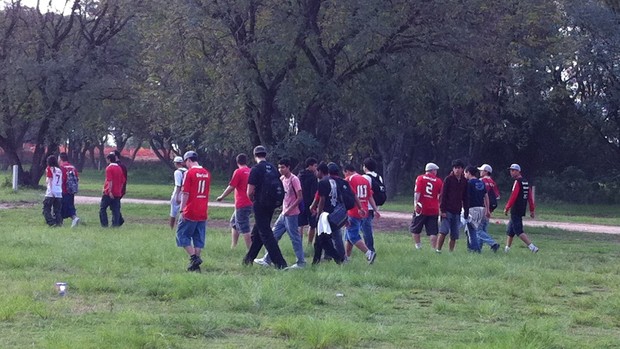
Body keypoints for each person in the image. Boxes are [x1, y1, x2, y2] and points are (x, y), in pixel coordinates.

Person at [242, 146, 288, 269]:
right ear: (265, 154)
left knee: (266, 233)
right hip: (271, 204)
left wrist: (254, 201)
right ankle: (248, 260)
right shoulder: (272, 168)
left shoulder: (256, 169)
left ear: (254, 155)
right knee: (258, 232)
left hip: (260, 204)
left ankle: (280, 263)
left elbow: (249, 192)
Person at [255, 158, 306, 269]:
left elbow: (300, 197)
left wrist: (290, 209)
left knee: (295, 238)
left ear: (288, 167)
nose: (280, 169)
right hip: (283, 214)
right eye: (279, 167)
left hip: (292, 214)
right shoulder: (282, 179)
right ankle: (267, 259)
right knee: (274, 235)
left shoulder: (294, 179)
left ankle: (301, 262)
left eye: (283, 167)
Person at [176, 150, 211, 272]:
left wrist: (181, 211)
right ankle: (196, 267)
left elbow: (185, 193)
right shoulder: (206, 173)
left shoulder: (189, 173)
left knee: (182, 235)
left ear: (188, 160)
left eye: (186, 162)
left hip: (191, 209)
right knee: (198, 237)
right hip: (202, 210)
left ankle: (194, 258)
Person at [313, 162, 348, 264]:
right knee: (322, 239)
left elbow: (322, 200)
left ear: (320, 171)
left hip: (325, 214)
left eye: (317, 171)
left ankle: (338, 258)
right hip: (334, 212)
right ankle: (316, 261)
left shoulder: (322, 182)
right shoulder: (333, 181)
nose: (316, 173)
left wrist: (319, 214)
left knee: (324, 240)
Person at [216, 153, 253, 249]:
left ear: (237, 162)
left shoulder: (238, 172)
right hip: (250, 202)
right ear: (246, 161)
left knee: (244, 227)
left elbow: (232, 186)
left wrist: (222, 196)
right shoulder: (251, 171)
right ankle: (234, 246)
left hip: (242, 203)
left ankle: (251, 251)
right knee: (234, 222)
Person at [343, 164, 378, 264]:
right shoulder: (364, 179)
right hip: (364, 211)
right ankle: (347, 258)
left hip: (354, 210)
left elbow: (348, 195)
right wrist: (375, 209)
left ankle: (369, 253)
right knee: (348, 237)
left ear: (347, 171)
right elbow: (370, 196)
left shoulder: (349, 179)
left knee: (353, 236)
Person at [503, 164, 539, 253]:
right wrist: (532, 209)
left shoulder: (517, 182)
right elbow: (530, 197)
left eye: (513, 170)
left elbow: (513, 196)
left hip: (515, 209)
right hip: (522, 208)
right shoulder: (525, 182)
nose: (511, 172)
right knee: (510, 230)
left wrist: (507, 207)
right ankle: (507, 249)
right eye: (511, 170)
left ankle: (532, 247)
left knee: (518, 230)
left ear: (518, 171)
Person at [436, 159, 469, 253]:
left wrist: (466, 210)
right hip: (447, 210)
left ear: (462, 169)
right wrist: (442, 210)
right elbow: (443, 195)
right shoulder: (448, 179)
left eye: (459, 168)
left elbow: (465, 197)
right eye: (455, 168)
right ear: (453, 169)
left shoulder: (464, 181)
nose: (457, 170)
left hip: (457, 210)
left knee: (454, 234)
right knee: (444, 231)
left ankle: (451, 252)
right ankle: (438, 250)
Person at [410, 162, 443, 250]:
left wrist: (416, 204)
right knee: (433, 231)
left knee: (416, 228)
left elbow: (417, 192)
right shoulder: (438, 181)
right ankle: (433, 249)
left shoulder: (420, 178)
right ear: (432, 171)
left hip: (422, 207)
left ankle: (418, 246)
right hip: (433, 208)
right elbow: (440, 195)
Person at [463, 166, 493, 253]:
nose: (464, 175)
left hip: (472, 208)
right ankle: (471, 248)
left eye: (465, 173)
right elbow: (486, 196)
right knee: (468, 230)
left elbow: (466, 197)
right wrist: (487, 209)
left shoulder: (469, 183)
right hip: (481, 208)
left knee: (473, 230)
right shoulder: (481, 182)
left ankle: (475, 249)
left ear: (468, 172)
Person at [477, 164, 501, 251]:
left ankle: (493, 243)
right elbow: (497, 196)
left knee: (477, 230)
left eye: (481, 170)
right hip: (490, 209)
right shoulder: (492, 182)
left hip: (482, 207)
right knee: (483, 229)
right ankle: (478, 249)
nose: (480, 172)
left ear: (486, 171)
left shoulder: (481, 180)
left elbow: (482, 195)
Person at [99, 153, 125, 228]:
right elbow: (122, 181)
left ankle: (104, 224)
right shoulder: (119, 168)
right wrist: (120, 190)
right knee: (116, 210)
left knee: (103, 208)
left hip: (109, 192)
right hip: (117, 192)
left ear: (109, 159)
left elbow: (110, 181)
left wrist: (109, 191)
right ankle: (115, 224)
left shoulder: (109, 168)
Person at [361, 158, 381, 253]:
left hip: (366, 206)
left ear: (365, 167)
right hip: (374, 206)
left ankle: (370, 249)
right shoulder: (378, 177)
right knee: (366, 227)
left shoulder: (365, 177)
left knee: (366, 229)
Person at [297, 157, 318, 245]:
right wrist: (315, 206)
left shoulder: (299, 175)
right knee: (312, 225)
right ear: (310, 166)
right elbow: (315, 192)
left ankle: (299, 243)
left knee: (300, 225)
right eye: (315, 166)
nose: (316, 168)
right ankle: (309, 243)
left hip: (300, 203)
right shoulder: (313, 177)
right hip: (310, 203)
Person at [58, 152, 80, 227]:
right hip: (71, 190)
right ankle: (74, 218)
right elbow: (77, 178)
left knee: (61, 206)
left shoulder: (62, 167)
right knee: (70, 205)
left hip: (64, 190)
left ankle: (61, 222)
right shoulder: (73, 167)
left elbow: (62, 179)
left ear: (60, 158)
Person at [43, 155, 63, 227]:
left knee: (46, 209)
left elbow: (50, 180)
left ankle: (51, 222)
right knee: (57, 210)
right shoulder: (59, 170)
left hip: (51, 192)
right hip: (59, 192)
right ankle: (59, 222)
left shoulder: (49, 169)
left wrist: (51, 190)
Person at [169, 156, 187, 229]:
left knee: (173, 212)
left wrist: (176, 196)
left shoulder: (177, 172)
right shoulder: (187, 171)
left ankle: (171, 227)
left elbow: (178, 185)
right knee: (183, 212)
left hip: (178, 193)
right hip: (185, 193)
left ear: (176, 163)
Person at [113, 150, 127, 226]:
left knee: (115, 206)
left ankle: (117, 221)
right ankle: (118, 221)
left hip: (118, 189)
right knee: (114, 205)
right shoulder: (119, 165)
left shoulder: (119, 166)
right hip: (118, 189)